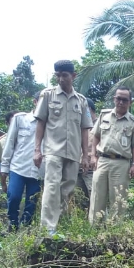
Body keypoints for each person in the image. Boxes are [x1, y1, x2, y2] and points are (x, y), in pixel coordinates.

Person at [34, 60, 92, 235]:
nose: (60, 79)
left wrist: (85, 155)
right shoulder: (48, 95)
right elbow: (40, 123)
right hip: (53, 150)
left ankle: (57, 224)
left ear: (73, 76)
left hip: (73, 153)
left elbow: (85, 129)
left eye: (64, 75)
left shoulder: (81, 101)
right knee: (52, 186)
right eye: (57, 75)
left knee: (67, 189)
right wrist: (37, 149)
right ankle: (47, 228)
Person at [88, 87, 134, 224]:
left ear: (130, 102)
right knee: (97, 197)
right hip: (102, 160)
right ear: (114, 99)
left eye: (124, 100)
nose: (121, 102)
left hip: (121, 163)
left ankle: (115, 232)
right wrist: (93, 156)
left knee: (118, 198)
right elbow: (95, 136)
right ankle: (94, 230)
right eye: (118, 98)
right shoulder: (104, 115)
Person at [0, 98, 43, 228]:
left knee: (32, 202)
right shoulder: (20, 119)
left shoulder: (51, 123)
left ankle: (25, 230)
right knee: (13, 197)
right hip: (18, 167)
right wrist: (4, 169)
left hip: (38, 170)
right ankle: (12, 225)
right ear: (35, 102)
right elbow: (10, 144)